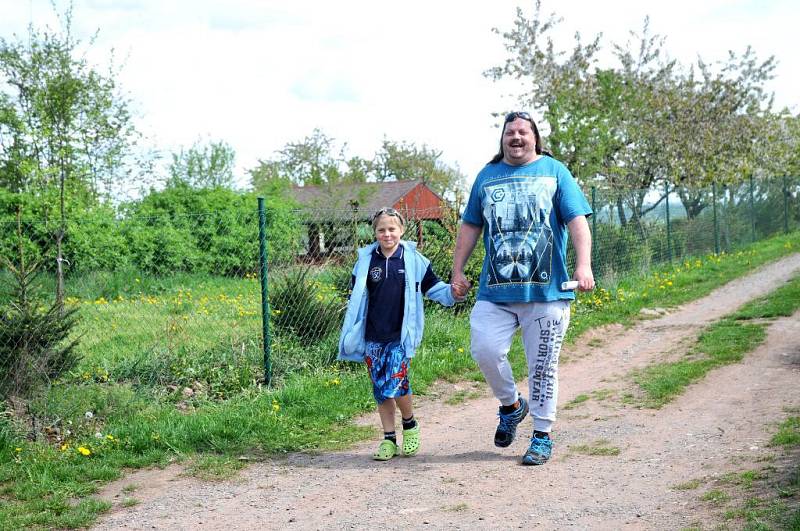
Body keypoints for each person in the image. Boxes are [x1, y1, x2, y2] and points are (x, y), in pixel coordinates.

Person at [451, 111, 594, 466]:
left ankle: (542, 436)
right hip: (495, 291)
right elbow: (471, 226)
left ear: (535, 138)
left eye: (523, 132)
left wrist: (584, 264)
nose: (516, 137)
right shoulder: (487, 176)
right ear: (502, 138)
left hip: (546, 292)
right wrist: (457, 270)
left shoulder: (555, 171)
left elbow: (577, 220)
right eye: (510, 132)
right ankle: (512, 405)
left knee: (542, 367)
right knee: (484, 349)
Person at [339, 207, 466, 461]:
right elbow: (356, 299)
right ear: (374, 232)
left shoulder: (414, 260)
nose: (387, 235)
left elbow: (433, 288)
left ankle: (409, 424)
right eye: (381, 230)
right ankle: (388, 439)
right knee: (380, 390)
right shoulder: (365, 262)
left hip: (400, 336)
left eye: (392, 229)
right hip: (373, 336)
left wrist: (452, 293)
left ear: (402, 230)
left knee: (397, 385)